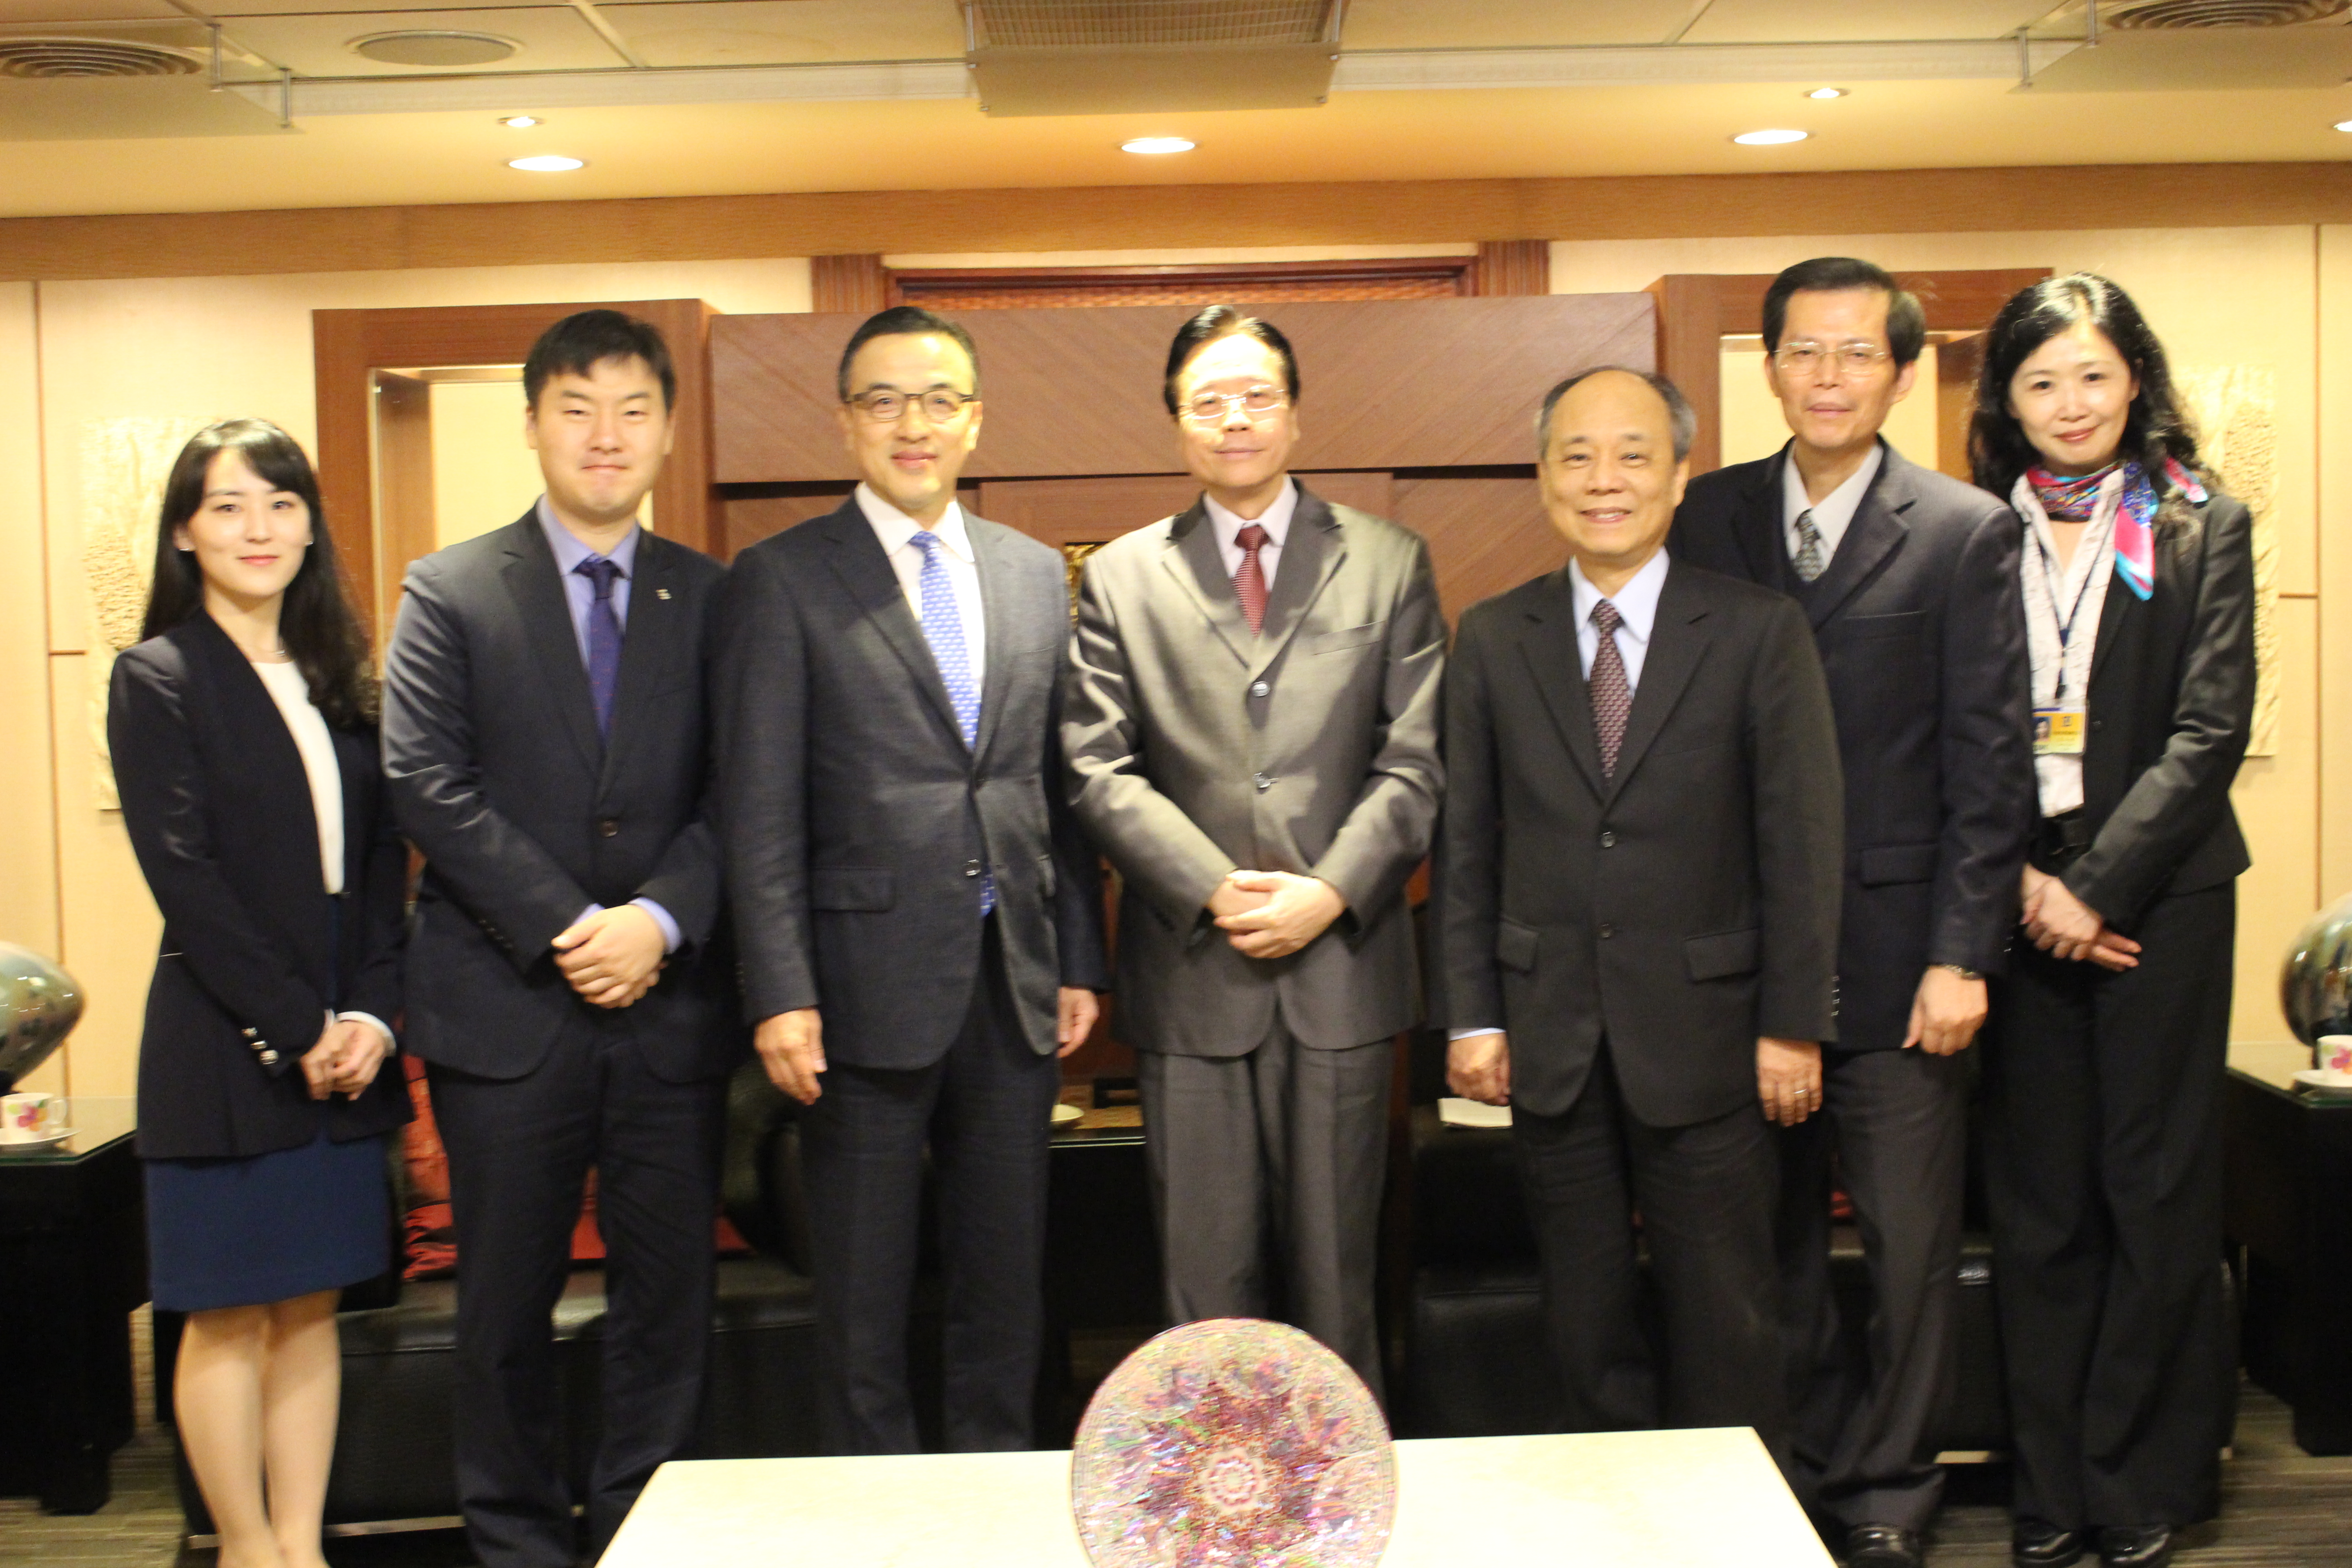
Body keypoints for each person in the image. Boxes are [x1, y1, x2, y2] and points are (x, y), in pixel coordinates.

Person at [1671, 257, 2035, 1567]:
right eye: (1804, 353)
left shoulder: (1962, 529)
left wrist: (1961, 954)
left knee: (1908, 1244)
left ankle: (1889, 1485)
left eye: (1856, 355)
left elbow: (1989, 767)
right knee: (1758, 1246)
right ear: (1765, 368)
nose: (1828, 378)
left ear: (1898, 370)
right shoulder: (1703, 519)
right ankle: (1805, 1462)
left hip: (1896, 962)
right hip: (1739, 962)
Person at [714, 305, 1109, 1455]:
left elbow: (1056, 786)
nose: (913, 424)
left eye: (939, 400)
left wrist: (1077, 954)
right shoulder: (783, 579)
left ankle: (986, 1505)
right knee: (864, 1295)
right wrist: (779, 991)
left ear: (976, 421)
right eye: (884, 401)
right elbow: (758, 806)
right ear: (846, 424)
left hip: (1012, 983)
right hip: (853, 991)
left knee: (1006, 1286)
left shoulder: (1036, 575)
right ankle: (873, 1517)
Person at [381, 310, 741, 1567]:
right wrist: (569, 924)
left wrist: (654, 920)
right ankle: (516, 1540)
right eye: (578, 407)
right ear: (532, 422)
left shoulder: (710, 595)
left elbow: (739, 791)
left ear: (667, 429)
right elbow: (425, 780)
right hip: (506, 1012)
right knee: (502, 1312)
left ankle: (649, 1531)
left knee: (666, 1305)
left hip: (669, 1008)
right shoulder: (451, 587)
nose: (605, 434)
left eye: (633, 408)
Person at [1439, 367, 1842, 1455]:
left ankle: (1739, 1530)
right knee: (1583, 1321)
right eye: (1576, 456)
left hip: (1716, 1036)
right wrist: (1472, 1016)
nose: (1602, 480)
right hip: (1550, 1036)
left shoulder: (1758, 631)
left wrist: (1792, 1023)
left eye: (1631, 455)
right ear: (1543, 477)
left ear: (1678, 475)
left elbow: (1800, 847)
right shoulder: (1492, 634)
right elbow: (1466, 842)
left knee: (1730, 1318)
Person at [1063, 305, 1445, 1396]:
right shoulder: (1125, 575)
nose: (1235, 419)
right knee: (1202, 1286)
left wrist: (1327, 893)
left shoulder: (1386, 560)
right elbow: (1098, 768)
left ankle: (1340, 1522)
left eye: (1257, 396)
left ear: (1294, 410)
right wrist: (1212, 886)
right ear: (1178, 422)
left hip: (1341, 970)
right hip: (1194, 974)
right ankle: (1207, 1524)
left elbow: (1417, 761)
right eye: (1209, 401)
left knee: (1340, 1280)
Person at [1971, 275, 2254, 1568]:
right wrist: (2031, 882)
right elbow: (1962, 734)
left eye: (2091, 375)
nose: (2069, 405)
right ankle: (2053, 1486)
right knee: (2040, 1208)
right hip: (2017, 901)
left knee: (2155, 1193)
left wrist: (2099, 884)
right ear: (2007, 401)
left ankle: (2143, 1478)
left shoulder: (2197, 525)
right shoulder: (1979, 532)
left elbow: (2209, 731)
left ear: (2134, 377)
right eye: (2041, 382)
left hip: (2164, 903)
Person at [111, 419, 408, 1568]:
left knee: (310, 1306)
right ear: (187, 530)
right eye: (229, 506)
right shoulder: (161, 677)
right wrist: (300, 1029)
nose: (259, 529)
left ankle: (303, 1544)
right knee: (228, 1312)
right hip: (224, 1039)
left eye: (281, 504)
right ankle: (245, 1549)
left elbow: (384, 869)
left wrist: (373, 1018)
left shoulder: (341, 680)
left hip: (348, 1031)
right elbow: (185, 880)